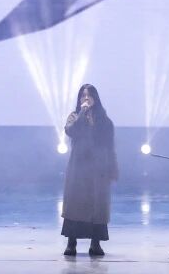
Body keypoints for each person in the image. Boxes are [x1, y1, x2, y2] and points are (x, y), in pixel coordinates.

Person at [61, 84, 118, 257]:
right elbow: (71, 131)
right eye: (83, 95)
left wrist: (113, 168)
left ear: (95, 98)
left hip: (99, 168)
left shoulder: (105, 120)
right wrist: (82, 114)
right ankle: (71, 242)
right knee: (75, 203)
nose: (86, 98)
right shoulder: (74, 116)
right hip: (79, 167)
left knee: (97, 205)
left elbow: (110, 146)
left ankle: (95, 243)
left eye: (89, 95)